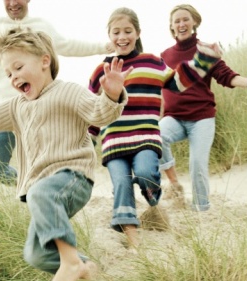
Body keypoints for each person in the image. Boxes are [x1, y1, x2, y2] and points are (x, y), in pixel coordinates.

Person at [0, 27, 131, 281]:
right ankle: (84, 267)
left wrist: (111, 94)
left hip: (72, 177)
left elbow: (100, 114)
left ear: (45, 61)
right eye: (8, 73)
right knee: (36, 253)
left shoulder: (68, 91)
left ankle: (70, 263)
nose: (12, 77)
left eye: (18, 68)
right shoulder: (16, 107)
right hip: (43, 188)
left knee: (40, 192)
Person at [88, 7, 223, 248]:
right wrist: (88, 142)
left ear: (137, 33)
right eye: (116, 32)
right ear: (109, 36)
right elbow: (92, 112)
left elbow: (179, 82)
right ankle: (134, 240)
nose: (122, 37)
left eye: (128, 31)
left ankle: (153, 202)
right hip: (114, 141)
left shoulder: (151, 62)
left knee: (146, 175)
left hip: (146, 137)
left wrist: (204, 60)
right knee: (121, 183)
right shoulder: (101, 71)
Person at [0, 0, 113, 185]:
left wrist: (103, 47)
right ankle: (35, 186)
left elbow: (68, 46)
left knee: (47, 163)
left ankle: (49, 194)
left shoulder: (40, 26)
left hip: (38, 109)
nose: (12, 3)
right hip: (5, 111)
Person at [159, 4, 247, 211]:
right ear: (172, 27)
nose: (182, 24)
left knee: (197, 166)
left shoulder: (206, 51)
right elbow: (159, 86)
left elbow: (227, 76)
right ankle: (174, 183)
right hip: (174, 117)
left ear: (194, 22)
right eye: (177, 21)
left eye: (185, 19)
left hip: (201, 119)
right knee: (156, 135)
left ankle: (201, 209)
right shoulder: (164, 55)